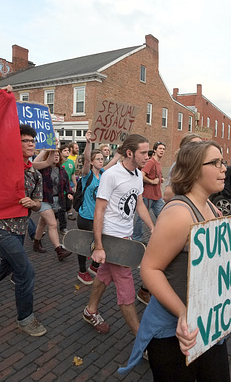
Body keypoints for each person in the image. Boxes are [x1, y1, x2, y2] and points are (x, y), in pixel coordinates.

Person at [119, 140, 231, 379]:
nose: (224, 168)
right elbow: (149, 270)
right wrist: (183, 313)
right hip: (174, 334)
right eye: (215, 163)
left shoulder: (211, 206)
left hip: (208, 327)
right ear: (193, 169)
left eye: (223, 162)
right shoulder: (179, 213)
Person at [0, 123, 47, 337]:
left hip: (20, 227)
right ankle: (25, 319)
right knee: (25, 271)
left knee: (7, 265)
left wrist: (31, 204)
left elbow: (38, 203)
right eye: (26, 140)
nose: (31, 144)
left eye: (33, 140)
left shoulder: (35, 174)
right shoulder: (2, 166)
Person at [82, 134, 154, 336]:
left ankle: (90, 310)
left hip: (126, 237)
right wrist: (99, 245)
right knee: (126, 289)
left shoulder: (138, 175)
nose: (147, 156)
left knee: (104, 275)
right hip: (112, 239)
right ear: (129, 153)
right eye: (143, 152)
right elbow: (99, 210)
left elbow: (139, 204)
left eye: (148, 152)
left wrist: (153, 228)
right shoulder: (111, 175)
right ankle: (141, 338)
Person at [75, 131, 120, 284]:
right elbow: (86, 159)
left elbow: (114, 159)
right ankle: (82, 271)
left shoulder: (103, 173)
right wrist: (88, 143)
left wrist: (122, 147)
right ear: (93, 162)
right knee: (83, 245)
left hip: (98, 217)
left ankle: (93, 266)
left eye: (102, 159)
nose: (101, 161)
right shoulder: (87, 174)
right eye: (98, 159)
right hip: (86, 216)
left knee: (100, 241)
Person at [31, 150, 73, 260]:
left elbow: (66, 185)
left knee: (42, 223)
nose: (56, 157)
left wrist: (69, 193)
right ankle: (59, 251)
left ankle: (36, 242)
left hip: (57, 200)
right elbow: (33, 164)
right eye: (54, 155)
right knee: (53, 224)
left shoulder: (62, 170)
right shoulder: (44, 168)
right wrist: (45, 149)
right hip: (44, 200)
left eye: (58, 155)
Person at [133, 141, 166, 243]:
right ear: (155, 150)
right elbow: (141, 175)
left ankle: (162, 236)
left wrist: (161, 179)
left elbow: (155, 176)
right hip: (148, 196)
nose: (162, 151)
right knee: (141, 218)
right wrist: (152, 181)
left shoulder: (158, 163)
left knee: (163, 216)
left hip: (157, 196)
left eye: (163, 149)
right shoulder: (151, 162)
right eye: (160, 149)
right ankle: (136, 238)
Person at [163, 133, 203, 202]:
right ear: (185, 149)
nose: (200, 148)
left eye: (202, 145)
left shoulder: (201, 166)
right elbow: (167, 195)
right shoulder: (178, 166)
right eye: (195, 145)